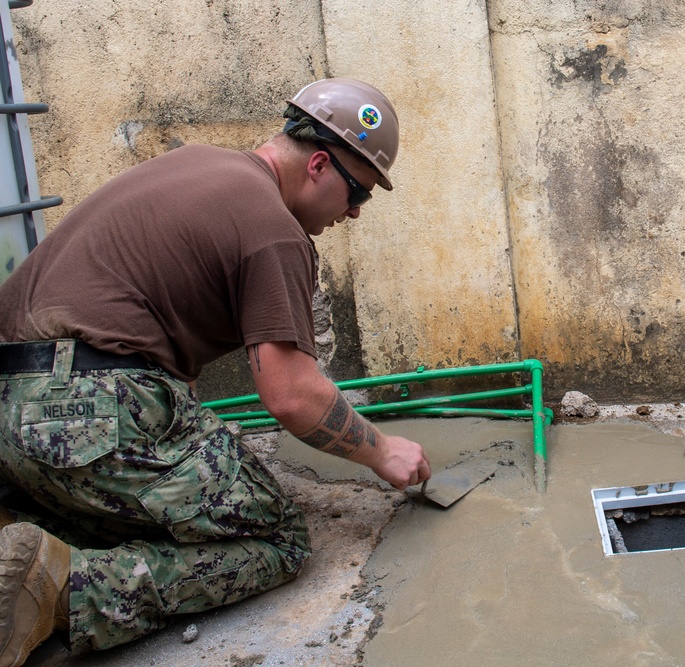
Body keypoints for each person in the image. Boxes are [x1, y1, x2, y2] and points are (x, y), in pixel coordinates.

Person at [0, 78, 432, 665]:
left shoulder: (195, 165)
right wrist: (382, 451)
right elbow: (292, 397)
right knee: (275, 538)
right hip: (88, 410)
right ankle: (59, 592)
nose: (354, 212)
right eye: (358, 192)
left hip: (10, 411)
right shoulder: (274, 230)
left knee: (165, 496)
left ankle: (26, 530)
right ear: (320, 165)